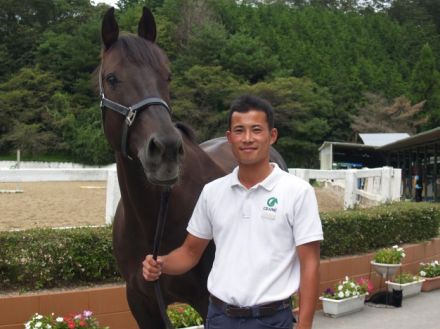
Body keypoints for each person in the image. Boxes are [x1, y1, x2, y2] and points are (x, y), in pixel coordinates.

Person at [143, 94, 323, 329]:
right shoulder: (212, 192)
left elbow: (310, 264)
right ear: (229, 138)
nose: (247, 138)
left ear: (272, 136)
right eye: (239, 131)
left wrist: (305, 324)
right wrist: (162, 263)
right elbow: (189, 252)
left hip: (272, 320)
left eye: (256, 130)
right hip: (220, 318)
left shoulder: (298, 192)